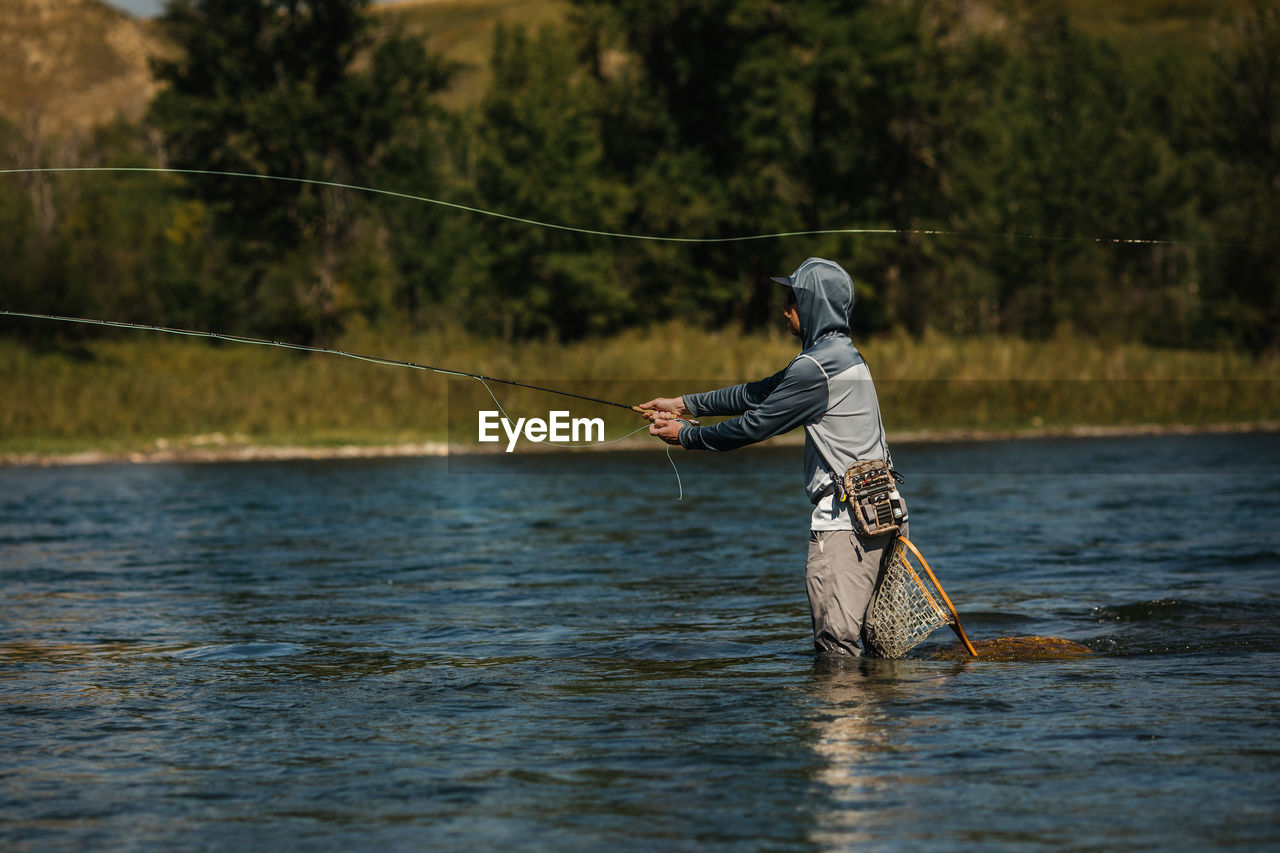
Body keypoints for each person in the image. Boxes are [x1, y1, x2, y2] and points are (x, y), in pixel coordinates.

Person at [641, 257, 906, 657]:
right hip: (881, 515)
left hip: (845, 526)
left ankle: (843, 719)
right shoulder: (843, 356)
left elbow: (754, 425)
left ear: (814, 305)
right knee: (876, 649)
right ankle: (877, 716)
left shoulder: (816, 368)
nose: (785, 309)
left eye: (792, 300)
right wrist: (684, 404)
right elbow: (757, 393)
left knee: (836, 648)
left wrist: (687, 437)